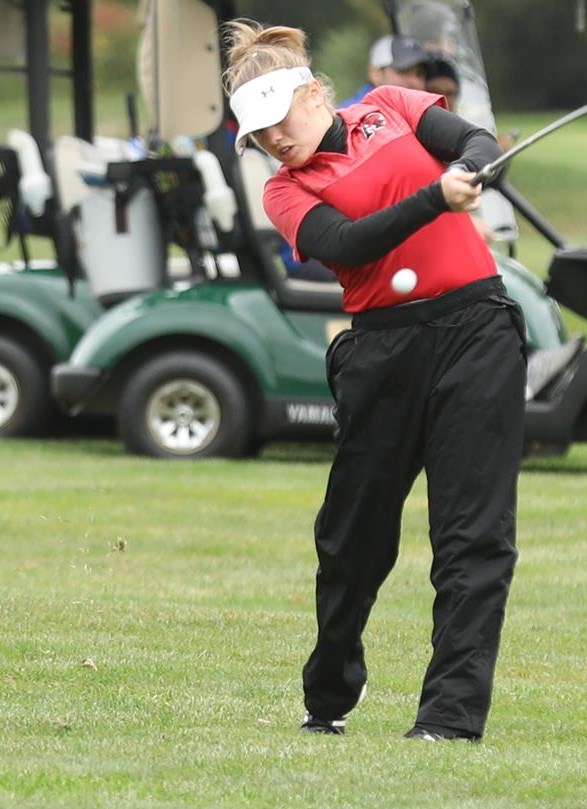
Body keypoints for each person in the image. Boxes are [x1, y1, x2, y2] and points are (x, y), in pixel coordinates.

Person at [224, 20, 526, 743]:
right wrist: (436, 198)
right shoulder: (287, 193)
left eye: (277, 121)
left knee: (473, 536)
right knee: (353, 540)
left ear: (311, 92)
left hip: (476, 330)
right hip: (382, 352)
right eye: (257, 134)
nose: (273, 141)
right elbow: (349, 243)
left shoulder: (395, 105)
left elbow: (474, 142)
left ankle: (449, 718)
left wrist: (477, 166)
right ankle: (329, 688)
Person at [337, 34, 430, 108]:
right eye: (403, 71)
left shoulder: (422, 114)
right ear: (375, 74)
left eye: (420, 74)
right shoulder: (348, 117)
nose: (414, 81)